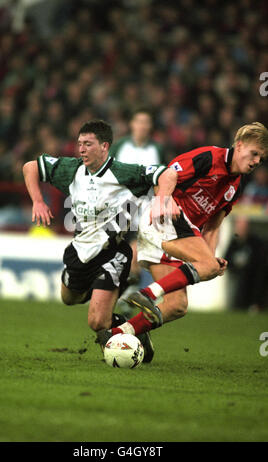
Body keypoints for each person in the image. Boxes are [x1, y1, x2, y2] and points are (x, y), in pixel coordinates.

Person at [96, 122, 268, 349]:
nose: (256, 161)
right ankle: (146, 294)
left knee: (177, 305)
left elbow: (213, 227)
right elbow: (166, 175)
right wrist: (164, 200)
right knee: (208, 266)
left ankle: (116, 334)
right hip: (166, 218)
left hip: (177, 234)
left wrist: (209, 259)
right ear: (239, 145)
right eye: (254, 153)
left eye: (261, 159)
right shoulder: (209, 157)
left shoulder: (234, 186)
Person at [23, 119, 174, 362]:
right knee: (68, 299)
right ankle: (112, 306)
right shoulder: (71, 169)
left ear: (105, 147)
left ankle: (133, 331)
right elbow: (31, 167)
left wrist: (163, 200)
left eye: (88, 144)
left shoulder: (123, 172)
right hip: (80, 251)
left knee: (97, 322)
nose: (81, 149)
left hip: (112, 254)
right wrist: (38, 201)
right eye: (79, 143)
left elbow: (166, 173)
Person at [110, 108, 166, 313]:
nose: (142, 126)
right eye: (139, 121)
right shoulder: (120, 147)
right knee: (114, 253)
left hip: (144, 209)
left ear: (150, 127)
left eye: (146, 122)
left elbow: (164, 177)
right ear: (132, 124)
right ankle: (118, 292)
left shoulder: (157, 150)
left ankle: (131, 292)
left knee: (134, 252)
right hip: (119, 208)